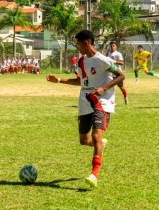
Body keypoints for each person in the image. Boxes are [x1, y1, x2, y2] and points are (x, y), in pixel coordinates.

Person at [46, 30, 125, 188]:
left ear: (86, 43)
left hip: (101, 102)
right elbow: (81, 82)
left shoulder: (103, 60)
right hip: (84, 103)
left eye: (78, 44)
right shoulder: (82, 61)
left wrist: (103, 88)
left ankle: (94, 174)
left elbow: (121, 76)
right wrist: (59, 80)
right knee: (84, 140)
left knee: (95, 136)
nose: (78, 48)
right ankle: (99, 144)